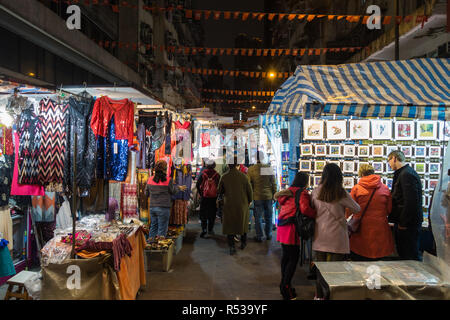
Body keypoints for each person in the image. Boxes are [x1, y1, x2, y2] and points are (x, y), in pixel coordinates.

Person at [311, 163, 360, 299]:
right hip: (337, 237)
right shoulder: (341, 192)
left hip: (319, 235)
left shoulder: (315, 192)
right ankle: (332, 296)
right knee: (334, 272)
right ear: (339, 177)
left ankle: (319, 297)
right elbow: (357, 208)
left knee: (320, 271)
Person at [275, 172, 316, 300]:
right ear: (305, 181)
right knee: (293, 258)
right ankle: (285, 287)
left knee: (286, 257)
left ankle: (285, 284)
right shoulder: (302, 193)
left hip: (282, 226)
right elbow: (304, 209)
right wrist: (316, 214)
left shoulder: (287, 191)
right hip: (291, 228)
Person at [347, 164, 394, 261]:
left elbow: (349, 209)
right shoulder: (385, 188)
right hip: (381, 229)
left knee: (360, 261)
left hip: (362, 230)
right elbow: (389, 209)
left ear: (361, 173)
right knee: (379, 263)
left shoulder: (357, 188)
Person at [387, 150, 423, 261]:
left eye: (388, 161)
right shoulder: (405, 173)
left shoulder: (406, 174)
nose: (389, 164)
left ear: (394, 158)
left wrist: (403, 222)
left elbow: (411, 201)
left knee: (409, 255)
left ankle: (414, 277)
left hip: (408, 224)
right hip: (406, 223)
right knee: (405, 253)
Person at [217, 160, 253, 255]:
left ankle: (232, 247)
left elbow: (219, 191)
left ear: (228, 165)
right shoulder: (244, 176)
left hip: (229, 204)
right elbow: (249, 191)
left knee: (230, 226)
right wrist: (249, 201)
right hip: (242, 204)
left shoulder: (224, 177)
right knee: (243, 223)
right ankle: (243, 243)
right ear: (238, 165)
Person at [146, 160, 187, 239]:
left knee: (153, 227)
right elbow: (173, 191)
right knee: (162, 229)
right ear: (165, 169)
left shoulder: (150, 179)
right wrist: (179, 188)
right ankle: (160, 250)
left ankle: (150, 246)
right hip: (163, 208)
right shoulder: (168, 180)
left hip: (152, 207)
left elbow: (146, 193)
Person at [248, 151, 277, 242]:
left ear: (254, 158)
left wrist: (250, 195)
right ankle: (268, 234)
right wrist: (274, 194)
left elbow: (249, 184)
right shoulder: (268, 168)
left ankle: (259, 236)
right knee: (268, 217)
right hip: (268, 196)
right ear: (263, 157)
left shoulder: (251, 169)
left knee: (258, 218)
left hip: (257, 196)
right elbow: (273, 183)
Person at [196, 159, 220, 238]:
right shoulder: (217, 175)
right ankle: (210, 229)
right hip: (213, 198)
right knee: (212, 213)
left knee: (203, 213)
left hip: (204, 197)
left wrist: (201, 193)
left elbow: (197, 184)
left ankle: (204, 229)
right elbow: (219, 186)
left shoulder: (203, 174)